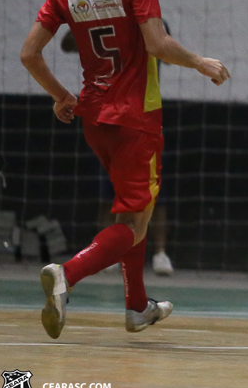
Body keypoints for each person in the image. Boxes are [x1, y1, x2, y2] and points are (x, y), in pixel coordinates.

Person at [20, 0, 229, 339]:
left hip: (94, 116)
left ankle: (137, 307)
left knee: (138, 214)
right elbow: (157, 44)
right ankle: (67, 273)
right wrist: (200, 62)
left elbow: (29, 53)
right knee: (133, 222)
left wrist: (61, 96)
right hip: (136, 117)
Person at [62, 27, 175, 276]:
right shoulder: (102, 16)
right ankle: (101, 258)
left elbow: (164, 51)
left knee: (153, 199)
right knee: (111, 197)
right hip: (114, 119)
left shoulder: (153, 22)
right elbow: (66, 44)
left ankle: (159, 254)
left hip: (133, 119)